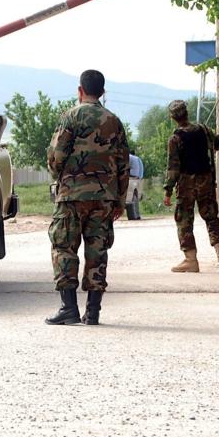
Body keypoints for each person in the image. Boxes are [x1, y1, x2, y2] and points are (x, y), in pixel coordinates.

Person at [45, 69, 129, 326]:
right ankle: (93, 312)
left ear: (80, 90)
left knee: (64, 247)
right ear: (102, 93)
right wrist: (120, 200)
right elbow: (124, 163)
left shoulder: (71, 116)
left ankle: (68, 308)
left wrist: (59, 176)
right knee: (98, 250)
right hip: (104, 197)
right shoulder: (113, 121)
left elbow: (56, 156)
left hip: (72, 195)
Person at [162, 100, 219, 272]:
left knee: (184, 220)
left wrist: (168, 190)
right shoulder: (203, 129)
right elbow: (218, 142)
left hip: (186, 183)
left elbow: (173, 167)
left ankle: (190, 259)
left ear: (173, 117)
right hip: (206, 180)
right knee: (211, 217)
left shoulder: (175, 138)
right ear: (187, 112)